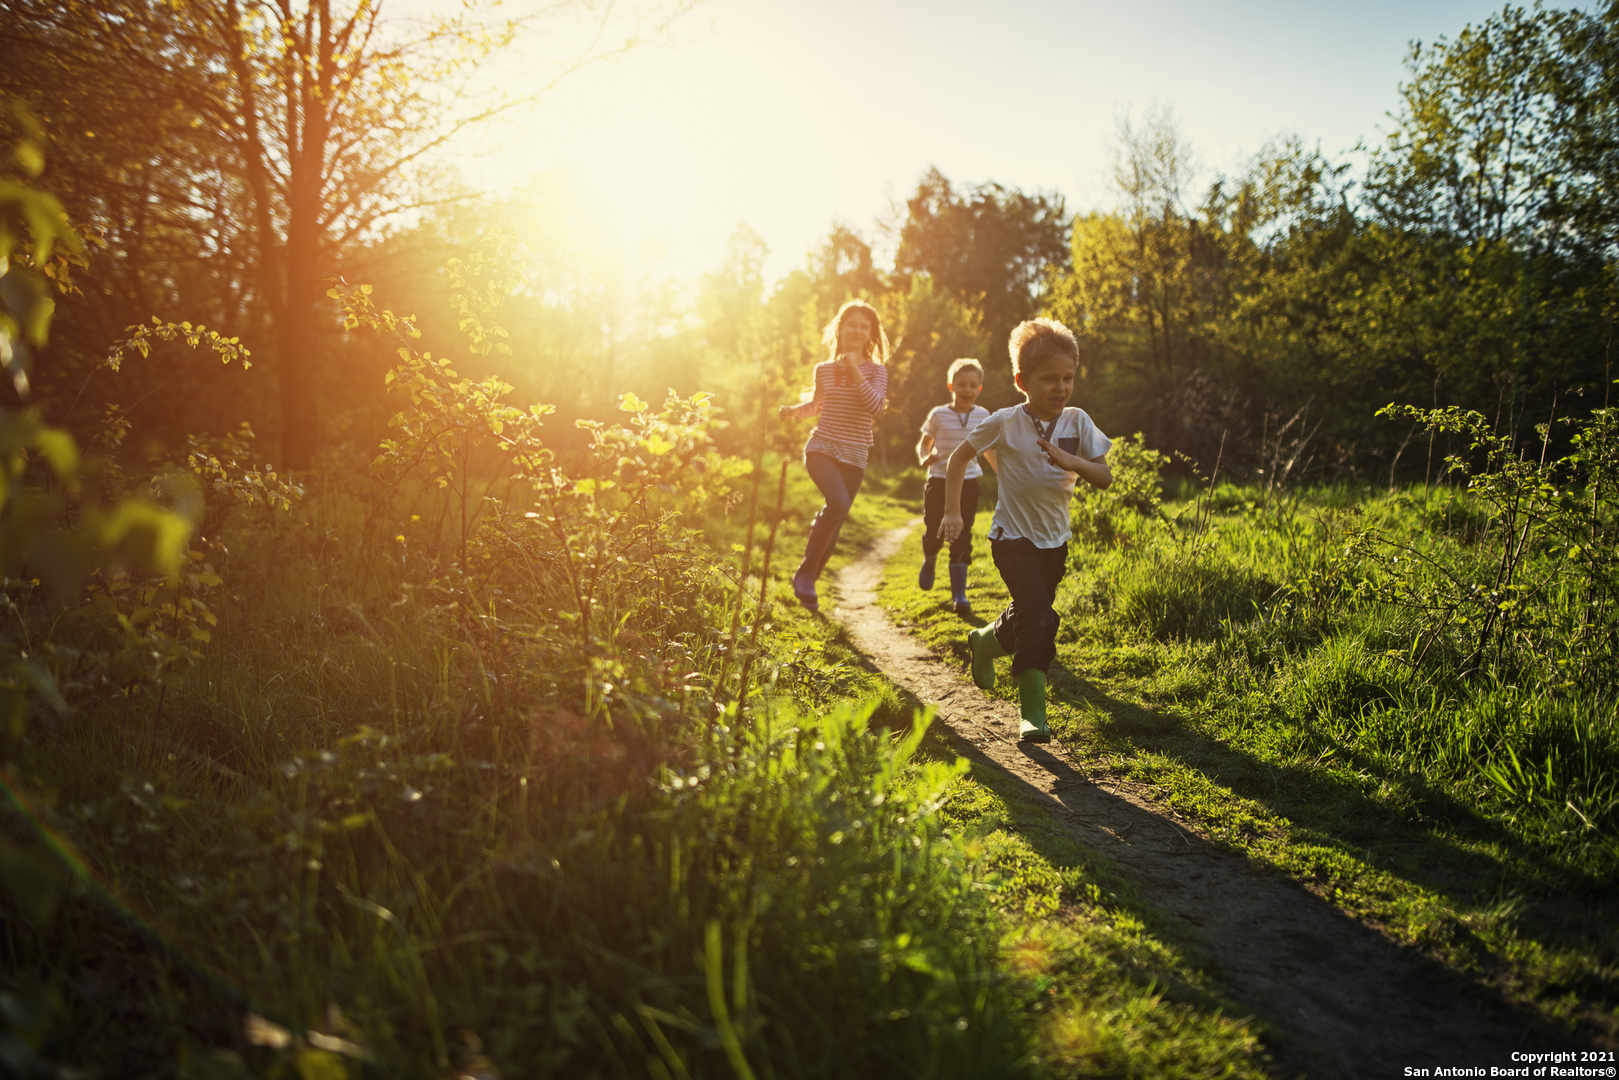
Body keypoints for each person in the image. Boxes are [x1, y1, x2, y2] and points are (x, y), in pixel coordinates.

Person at [935, 318, 1112, 742]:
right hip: (1012, 539)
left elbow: (1104, 477)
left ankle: (985, 641)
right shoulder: (1004, 421)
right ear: (1021, 380)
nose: (1060, 387)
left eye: (1067, 377)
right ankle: (1033, 713)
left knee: (1030, 616)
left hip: (1056, 543)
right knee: (1041, 618)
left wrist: (1075, 463)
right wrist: (952, 513)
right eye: (1049, 378)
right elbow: (959, 459)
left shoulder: (1078, 422)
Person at [778, 300, 890, 612]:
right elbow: (818, 405)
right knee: (838, 504)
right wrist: (793, 412)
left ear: (870, 335)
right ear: (840, 328)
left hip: (855, 455)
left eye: (864, 326)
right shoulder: (823, 370)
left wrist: (855, 370)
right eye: (851, 324)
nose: (857, 330)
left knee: (835, 521)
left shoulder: (876, 371)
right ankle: (805, 575)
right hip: (822, 447)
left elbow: (876, 408)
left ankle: (808, 585)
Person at [915, 358, 993, 614]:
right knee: (934, 529)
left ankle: (959, 595)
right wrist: (924, 457)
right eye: (962, 384)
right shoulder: (938, 414)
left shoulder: (984, 416)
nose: (967, 390)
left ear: (979, 388)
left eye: (973, 385)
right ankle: (930, 556)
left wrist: (1005, 474)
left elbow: (991, 448)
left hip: (969, 482)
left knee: (962, 533)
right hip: (938, 480)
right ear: (951, 385)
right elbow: (924, 444)